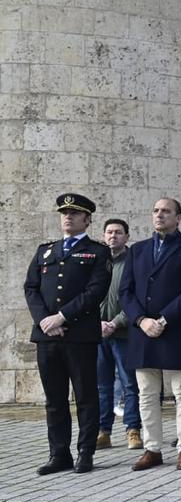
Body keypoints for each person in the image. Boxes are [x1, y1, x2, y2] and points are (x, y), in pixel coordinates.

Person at [24, 193, 111, 475]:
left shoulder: (97, 252)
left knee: (85, 396)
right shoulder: (45, 251)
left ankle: (85, 452)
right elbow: (31, 288)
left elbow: (95, 291)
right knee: (55, 399)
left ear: (87, 219)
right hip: (47, 336)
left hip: (79, 336)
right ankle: (59, 453)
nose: (68, 217)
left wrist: (62, 317)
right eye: (64, 213)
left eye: (74, 213)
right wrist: (44, 321)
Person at [121, 198, 181, 471]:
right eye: (156, 210)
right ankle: (152, 449)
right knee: (147, 393)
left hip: (176, 329)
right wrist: (141, 320)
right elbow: (126, 291)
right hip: (143, 332)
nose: (159, 215)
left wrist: (163, 319)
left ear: (178, 217)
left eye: (166, 211)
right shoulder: (137, 250)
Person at [96, 217, 142, 451]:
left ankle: (132, 430)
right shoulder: (97, 262)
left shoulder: (133, 263)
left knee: (130, 384)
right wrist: (97, 323)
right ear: (103, 236)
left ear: (127, 236)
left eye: (118, 232)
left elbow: (136, 297)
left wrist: (115, 322)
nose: (113, 236)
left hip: (124, 333)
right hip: (98, 334)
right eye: (109, 232)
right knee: (102, 386)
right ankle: (103, 431)